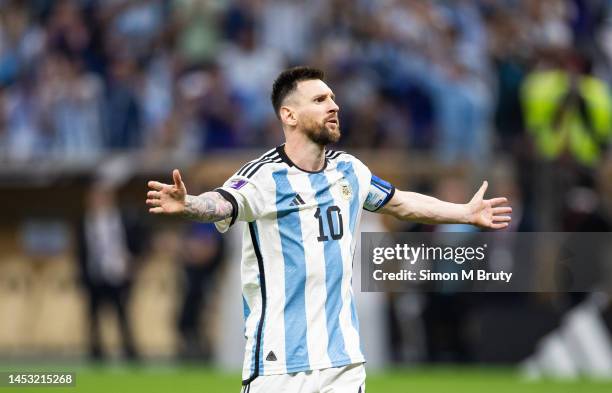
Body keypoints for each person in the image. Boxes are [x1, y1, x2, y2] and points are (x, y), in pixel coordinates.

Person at [146, 66, 512, 393]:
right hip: (279, 363)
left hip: (343, 361)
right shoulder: (263, 177)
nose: (333, 105)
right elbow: (223, 203)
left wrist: (464, 213)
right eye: (320, 99)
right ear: (289, 115)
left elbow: (400, 202)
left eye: (333, 98)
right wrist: (190, 204)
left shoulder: (350, 170)